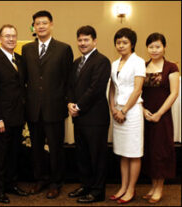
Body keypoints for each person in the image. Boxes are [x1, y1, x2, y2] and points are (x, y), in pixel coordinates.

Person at [22, 10, 73, 199]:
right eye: (37, 23)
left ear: (51, 25)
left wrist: (67, 103)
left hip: (55, 109)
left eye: (44, 23)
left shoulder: (63, 49)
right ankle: (40, 179)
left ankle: (56, 182)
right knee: (35, 148)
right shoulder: (27, 49)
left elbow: (68, 80)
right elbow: (24, 79)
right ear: (33, 27)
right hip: (33, 109)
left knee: (56, 148)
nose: (41, 26)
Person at [0, 24, 28, 204]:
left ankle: (11, 184)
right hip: (1, 119)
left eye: (13, 36)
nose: (11, 39)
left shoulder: (19, 59)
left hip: (18, 117)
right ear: (0, 39)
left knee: (13, 154)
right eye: (7, 36)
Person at [67, 25, 111, 203]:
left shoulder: (102, 61)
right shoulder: (77, 62)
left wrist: (77, 106)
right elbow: (70, 85)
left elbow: (96, 89)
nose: (82, 43)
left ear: (95, 41)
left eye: (86, 40)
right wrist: (69, 103)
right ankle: (86, 185)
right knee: (82, 154)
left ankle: (98, 191)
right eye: (80, 40)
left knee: (97, 156)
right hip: (79, 118)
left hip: (95, 118)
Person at [108, 27, 146, 204]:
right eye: (118, 42)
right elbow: (113, 89)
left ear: (132, 44)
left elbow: (137, 89)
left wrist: (123, 111)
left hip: (131, 112)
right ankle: (123, 187)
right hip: (117, 111)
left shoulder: (138, 61)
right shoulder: (115, 63)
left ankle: (131, 189)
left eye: (124, 42)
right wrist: (113, 109)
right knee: (123, 152)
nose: (121, 45)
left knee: (133, 152)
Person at [141, 33, 179, 204]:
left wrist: (159, 113)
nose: (154, 50)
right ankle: (152, 185)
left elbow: (174, 93)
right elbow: (136, 92)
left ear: (164, 47)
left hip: (162, 117)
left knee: (160, 151)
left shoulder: (171, 67)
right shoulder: (142, 65)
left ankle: (159, 188)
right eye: (151, 46)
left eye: (157, 46)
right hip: (145, 114)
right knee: (148, 151)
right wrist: (142, 110)